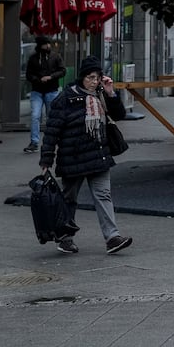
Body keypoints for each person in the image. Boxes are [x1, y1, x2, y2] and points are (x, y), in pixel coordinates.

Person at [38, 56, 131, 255]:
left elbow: (120, 114)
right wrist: (46, 159)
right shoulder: (66, 98)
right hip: (74, 158)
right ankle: (65, 239)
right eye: (90, 77)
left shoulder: (100, 94)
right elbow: (52, 131)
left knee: (104, 195)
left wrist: (110, 92)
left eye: (97, 77)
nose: (94, 81)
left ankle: (112, 238)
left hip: (98, 156)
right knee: (69, 199)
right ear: (82, 77)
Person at [24, 37, 65, 154]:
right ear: (40, 46)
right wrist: (38, 79)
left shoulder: (55, 56)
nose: (48, 46)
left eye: (48, 44)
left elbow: (63, 70)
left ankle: (51, 141)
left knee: (51, 117)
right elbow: (28, 75)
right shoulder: (33, 58)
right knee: (35, 115)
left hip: (51, 90)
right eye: (45, 44)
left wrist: (50, 77)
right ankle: (34, 142)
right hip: (37, 91)